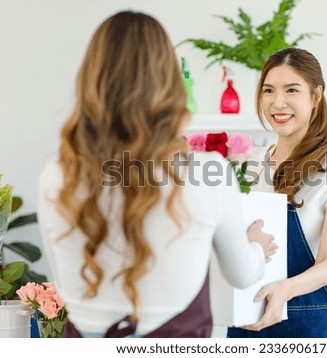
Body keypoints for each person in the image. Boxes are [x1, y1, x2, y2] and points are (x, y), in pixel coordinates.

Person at [37, 11, 276, 338]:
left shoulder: (57, 174)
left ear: (91, 80)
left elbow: (64, 280)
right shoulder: (209, 172)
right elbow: (243, 274)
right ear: (169, 83)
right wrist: (257, 247)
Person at [227, 48, 327, 338]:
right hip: (246, 316)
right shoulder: (248, 162)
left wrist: (283, 291)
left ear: (315, 96)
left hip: (305, 322)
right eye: (269, 90)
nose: (278, 103)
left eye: (291, 90)